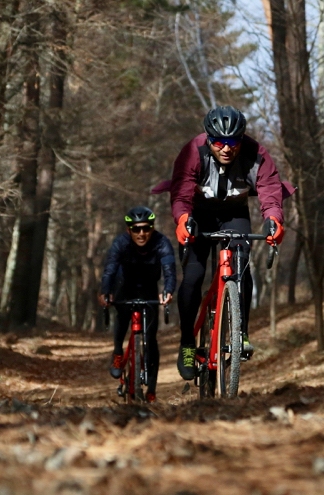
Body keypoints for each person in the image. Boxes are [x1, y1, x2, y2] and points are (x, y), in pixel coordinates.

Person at [165, 105, 291, 381]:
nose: (226, 148)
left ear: (241, 139)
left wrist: (273, 219)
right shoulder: (192, 151)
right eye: (219, 142)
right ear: (208, 138)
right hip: (197, 213)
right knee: (193, 277)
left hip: (234, 213)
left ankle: (240, 333)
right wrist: (182, 218)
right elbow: (182, 191)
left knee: (241, 264)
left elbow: (270, 189)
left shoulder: (257, 153)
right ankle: (187, 342)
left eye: (232, 142)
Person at [98, 206, 176, 403]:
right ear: (128, 230)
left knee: (151, 338)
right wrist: (105, 292)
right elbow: (110, 269)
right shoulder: (120, 243)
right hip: (125, 287)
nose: (141, 233)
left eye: (146, 228)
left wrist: (167, 291)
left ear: (152, 228)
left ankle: (151, 388)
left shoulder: (162, 242)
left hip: (149, 288)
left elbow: (169, 271)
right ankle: (117, 351)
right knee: (122, 318)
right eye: (136, 229)